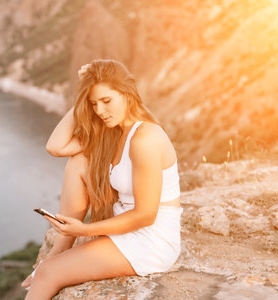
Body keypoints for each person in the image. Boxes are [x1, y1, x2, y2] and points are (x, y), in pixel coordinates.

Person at [22, 59, 183, 299]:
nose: (99, 111)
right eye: (93, 103)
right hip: (125, 226)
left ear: (127, 93)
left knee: (47, 272)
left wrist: (85, 230)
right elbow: (56, 147)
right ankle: (61, 247)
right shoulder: (113, 131)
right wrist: (84, 96)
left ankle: (57, 254)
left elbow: (146, 215)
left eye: (107, 101)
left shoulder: (145, 139)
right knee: (78, 161)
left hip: (151, 240)